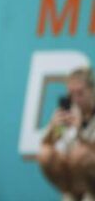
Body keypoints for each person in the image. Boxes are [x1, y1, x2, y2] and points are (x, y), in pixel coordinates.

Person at [37, 68, 95, 200]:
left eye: (80, 93)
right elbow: (47, 144)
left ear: (92, 91)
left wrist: (80, 133)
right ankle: (71, 194)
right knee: (46, 154)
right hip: (74, 182)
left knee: (80, 155)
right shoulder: (67, 113)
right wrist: (53, 128)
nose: (75, 99)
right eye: (71, 94)